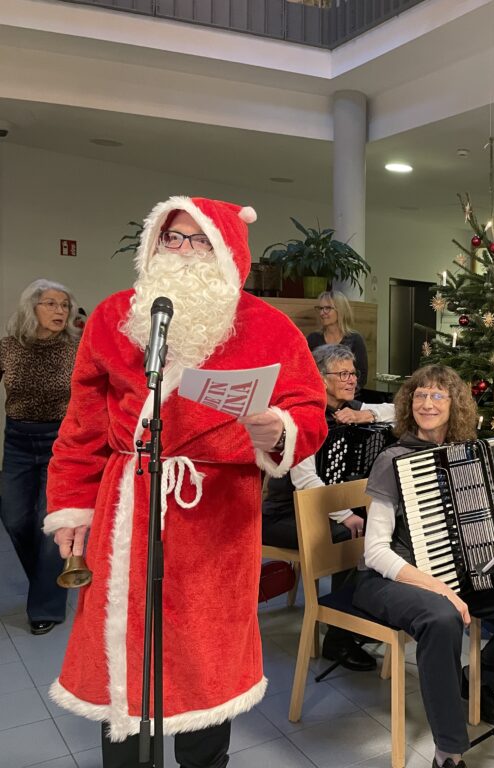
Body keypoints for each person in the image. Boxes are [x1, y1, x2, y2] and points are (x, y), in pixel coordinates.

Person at [44, 196, 328, 767]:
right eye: (171, 238)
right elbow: (81, 427)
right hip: (126, 506)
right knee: (124, 652)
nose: (183, 251)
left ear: (226, 251)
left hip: (216, 518)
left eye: (199, 240)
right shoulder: (115, 316)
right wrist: (72, 507)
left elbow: (310, 410)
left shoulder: (267, 326)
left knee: (206, 657)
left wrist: (280, 427)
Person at [354, 364, 494, 768]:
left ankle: (478, 685)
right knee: (442, 619)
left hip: (460, 576)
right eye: (420, 395)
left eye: (437, 395)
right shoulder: (393, 459)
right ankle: (449, 749)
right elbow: (374, 551)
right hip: (390, 579)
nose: (427, 403)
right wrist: (439, 589)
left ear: (454, 404)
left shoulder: (471, 454)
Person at [262, 344, 395, 672]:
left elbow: (398, 410)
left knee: (379, 529)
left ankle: (355, 618)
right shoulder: (302, 416)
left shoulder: (349, 407)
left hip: (324, 506)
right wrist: (345, 515)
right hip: (284, 513)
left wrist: (367, 414)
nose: (352, 380)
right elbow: (306, 481)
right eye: (343, 374)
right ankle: (338, 636)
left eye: (353, 373)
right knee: (350, 535)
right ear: (321, 379)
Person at [0, 279, 80, 635]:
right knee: (15, 518)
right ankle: (46, 581)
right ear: (31, 308)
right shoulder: (8, 348)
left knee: (51, 524)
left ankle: (45, 606)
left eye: (65, 305)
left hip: (61, 443)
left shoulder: (76, 349)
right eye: (51, 303)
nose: (60, 311)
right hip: (17, 440)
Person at [307, 290, 369, 389]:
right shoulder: (313, 339)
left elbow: (362, 377)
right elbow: (306, 372)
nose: (322, 313)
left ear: (340, 310)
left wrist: (345, 392)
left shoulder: (355, 339)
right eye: (320, 308)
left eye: (327, 308)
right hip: (319, 393)